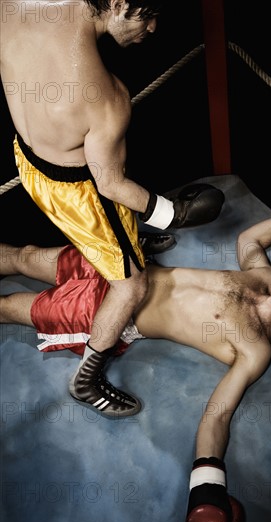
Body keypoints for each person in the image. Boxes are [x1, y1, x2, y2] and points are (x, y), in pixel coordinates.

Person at [0, 187, 271, 522]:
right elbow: (250, 238)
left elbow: (216, 416)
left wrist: (207, 493)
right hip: (124, 269)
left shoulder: (254, 347)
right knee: (23, 256)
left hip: (104, 316)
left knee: (8, 307)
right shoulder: (262, 277)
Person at [0, 0, 225, 417]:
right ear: (120, 4)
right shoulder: (107, 99)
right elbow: (111, 184)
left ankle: (126, 244)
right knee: (131, 285)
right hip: (81, 194)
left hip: (26, 158)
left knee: (117, 239)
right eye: (149, 15)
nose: (154, 28)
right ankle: (86, 380)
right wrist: (171, 212)